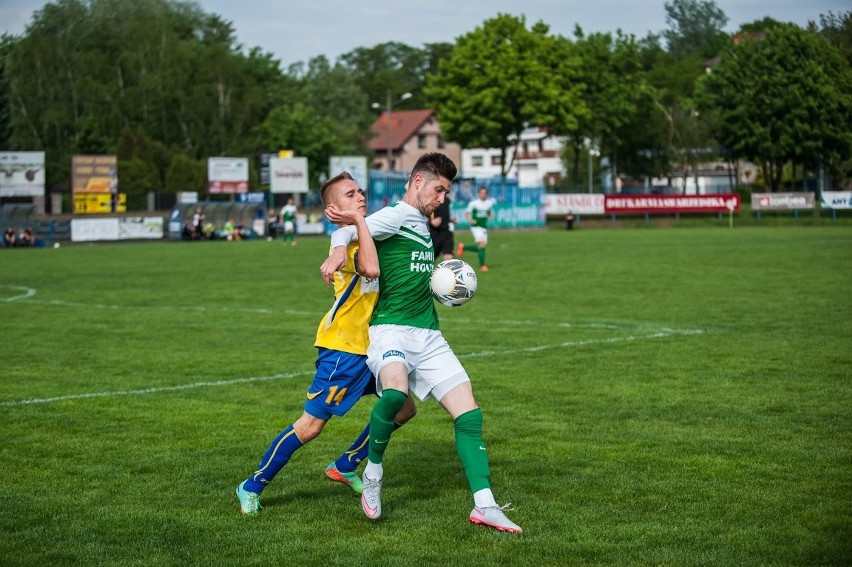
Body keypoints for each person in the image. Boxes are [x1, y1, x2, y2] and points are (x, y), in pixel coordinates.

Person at [321, 153, 522, 534]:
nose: (442, 198)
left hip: (429, 334)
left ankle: (485, 505)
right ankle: (374, 474)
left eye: (446, 191)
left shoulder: (421, 223)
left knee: (470, 414)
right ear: (416, 182)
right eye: (438, 189)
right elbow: (349, 230)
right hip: (390, 330)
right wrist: (336, 248)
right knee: (395, 395)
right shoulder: (396, 215)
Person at [235, 172, 416, 515]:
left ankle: (346, 464)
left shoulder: (363, 234)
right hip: (343, 351)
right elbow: (373, 269)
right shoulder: (350, 247)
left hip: (375, 347)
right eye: (351, 194)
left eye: (360, 192)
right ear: (334, 208)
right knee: (310, 426)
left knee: (404, 408)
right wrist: (346, 235)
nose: (361, 197)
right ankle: (252, 484)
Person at [456, 185, 496, 272]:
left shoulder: (489, 203)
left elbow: (488, 211)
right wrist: (471, 220)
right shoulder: (474, 203)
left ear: (486, 194)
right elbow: (467, 213)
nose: (483, 195)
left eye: (484, 193)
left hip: (483, 227)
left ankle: (463, 247)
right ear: (479, 194)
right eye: (481, 193)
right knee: (481, 245)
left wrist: (490, 215)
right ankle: (482, 266)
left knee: (481, 247)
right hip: (476, 227)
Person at [428, 193, 455, 261]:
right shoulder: (430, 200)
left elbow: (445, 214)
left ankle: (447, 271)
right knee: (431, 259)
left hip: (446, 232)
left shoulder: (447, 200)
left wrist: (450, 220)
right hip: (434, 233)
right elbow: (423, 214)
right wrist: (431, 221)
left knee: (448, 257)